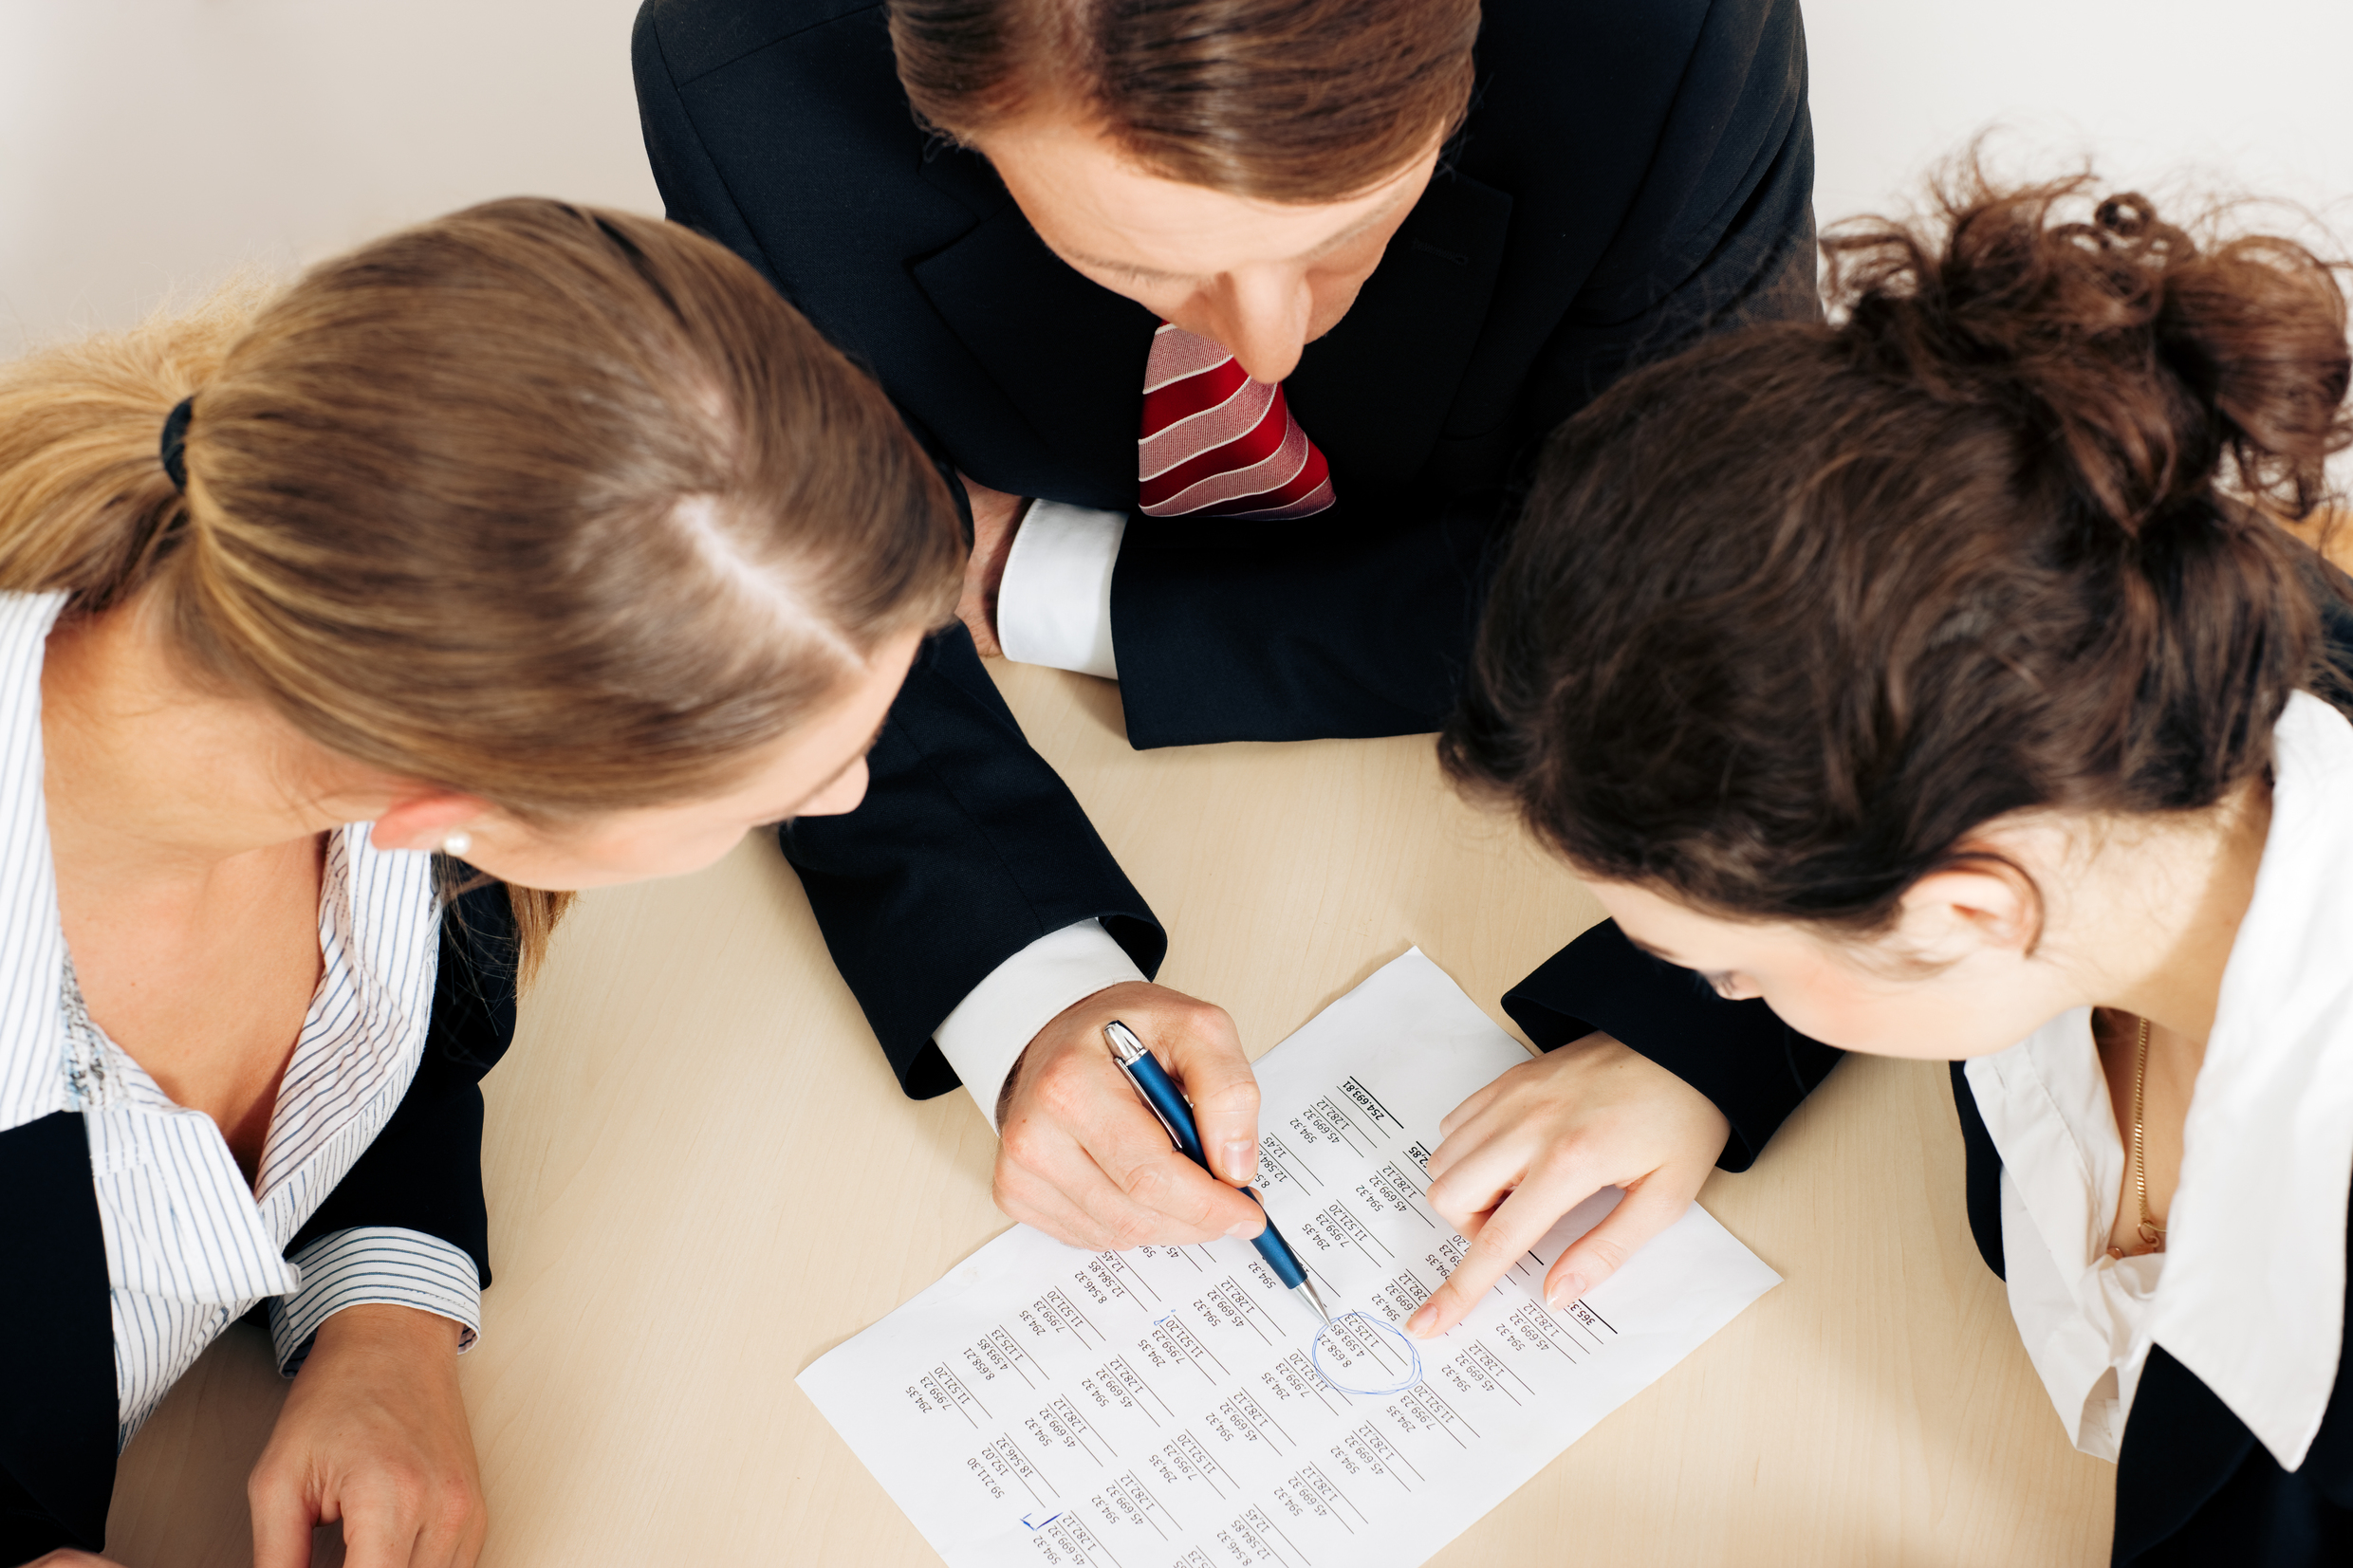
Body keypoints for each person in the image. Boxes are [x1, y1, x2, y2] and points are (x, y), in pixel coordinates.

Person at [631, 0, 1819, 1257]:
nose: (1273, 341)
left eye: (1351, 228)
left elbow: (1710, 578)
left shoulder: (1668, 35)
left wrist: (1052, 584)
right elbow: (804, 578)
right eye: (1149, 268)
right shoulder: (743, 78)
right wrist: (1028, 988)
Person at [2, 198, 959, 1567]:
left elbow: (386, 1056)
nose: (849, 797)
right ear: (466, 810)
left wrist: (381, 1319)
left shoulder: (368, 716)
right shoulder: (393, 757)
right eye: (782, 788)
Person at [1423, 171, 2353, 1560]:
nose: (1731, 997)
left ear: (1965, 907)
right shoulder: (2120, 675)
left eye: (1731, 969)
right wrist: (1674, 1046)